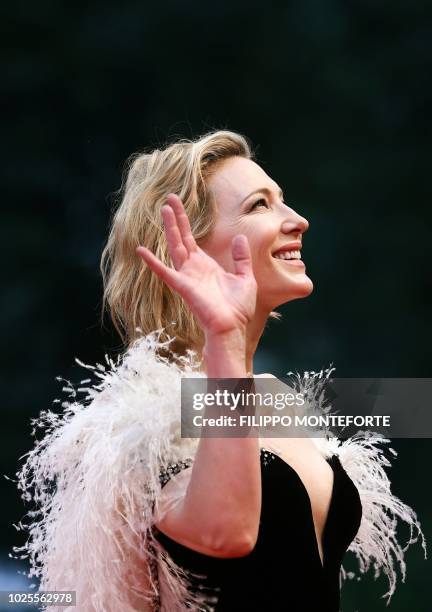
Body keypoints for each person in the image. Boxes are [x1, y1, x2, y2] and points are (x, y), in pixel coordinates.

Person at [13, 131, 426, 612]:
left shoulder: (280, 398)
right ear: (186, 246)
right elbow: (225, 532)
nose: (298, 220)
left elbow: (409, 407)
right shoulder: (135, 424)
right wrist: (225, 340)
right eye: (259, 206)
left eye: (283, 201)